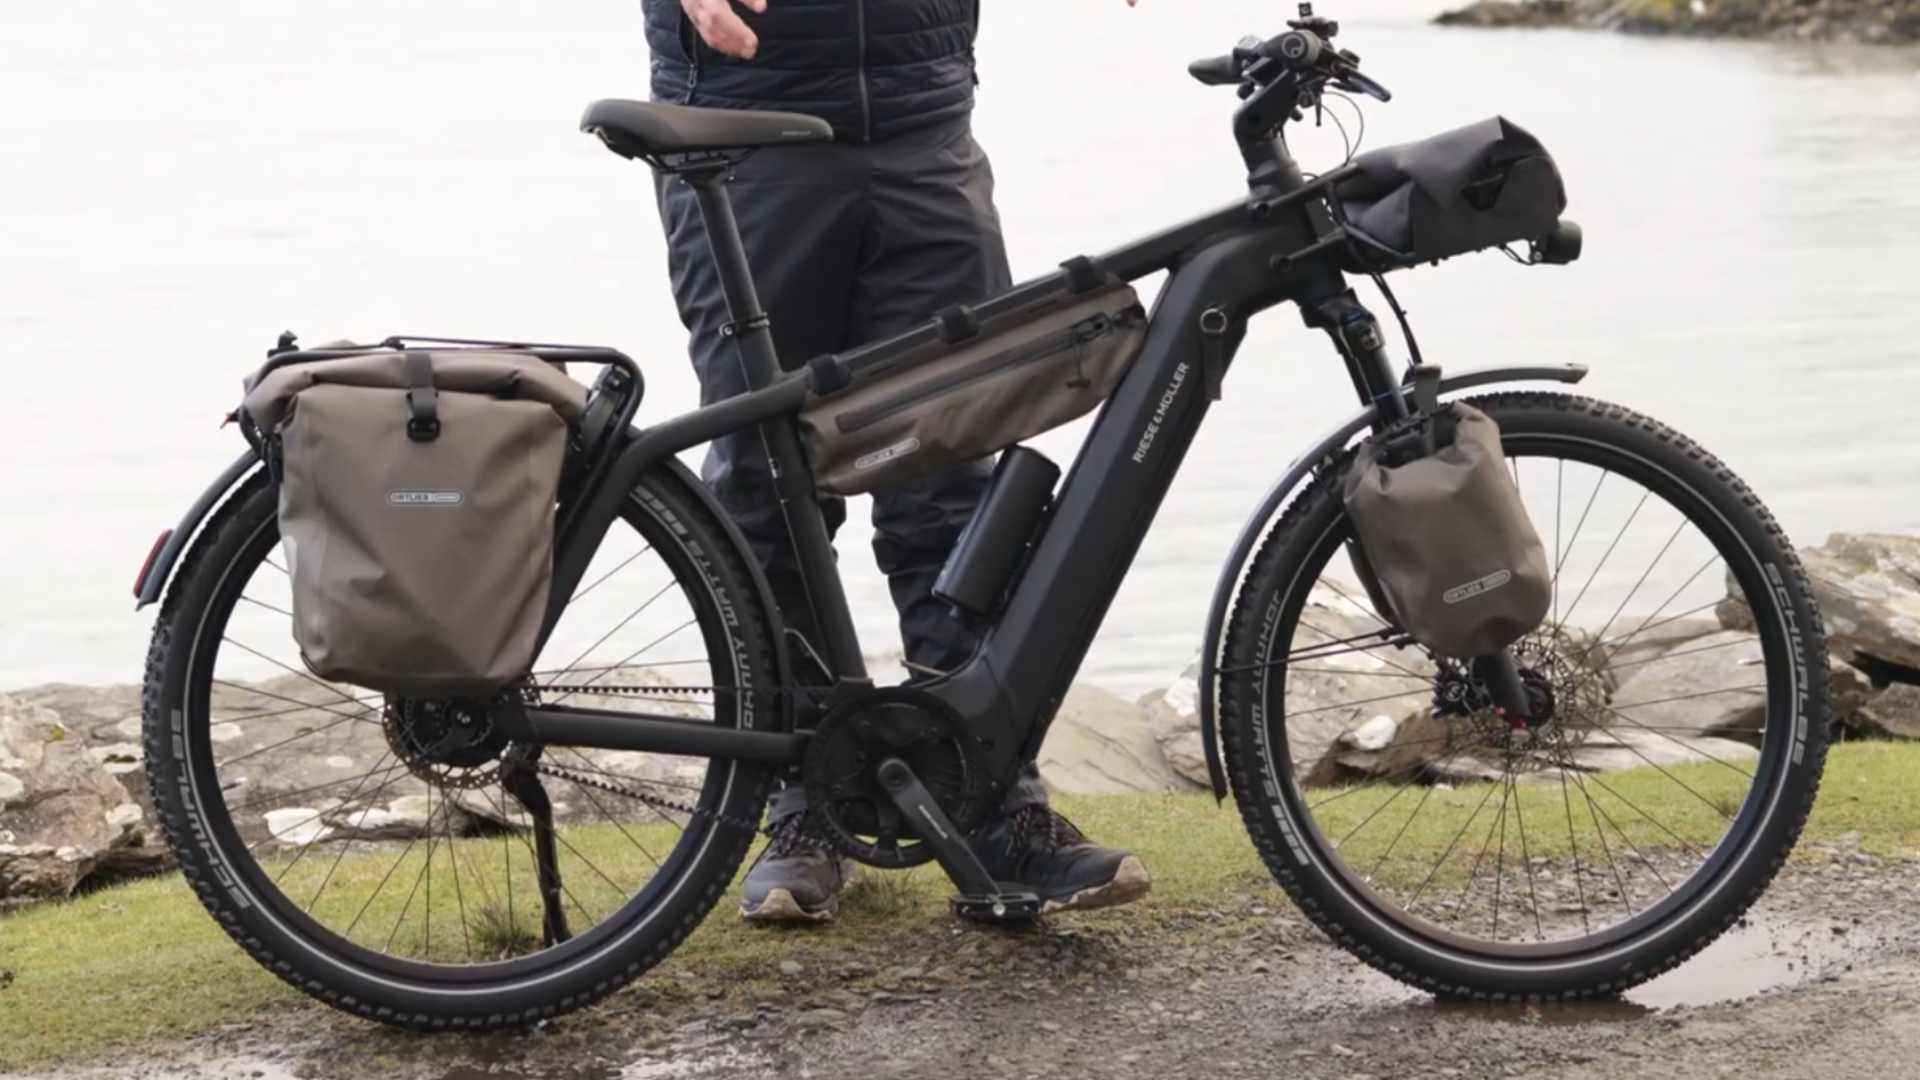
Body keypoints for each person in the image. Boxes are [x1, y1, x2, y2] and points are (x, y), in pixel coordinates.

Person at [643, 0, 1152, 924]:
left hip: (927, 131)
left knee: (951, 479)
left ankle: (996, 802)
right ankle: (801, 802)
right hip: (748, 135)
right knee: (770, 491)